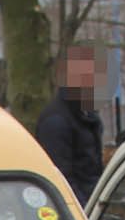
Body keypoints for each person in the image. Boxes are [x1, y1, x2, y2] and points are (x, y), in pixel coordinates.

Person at [35, 47, 104, 202]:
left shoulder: (86, 114)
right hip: (81, 210)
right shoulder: (56, 122)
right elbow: (62, 180)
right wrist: (86, 215)